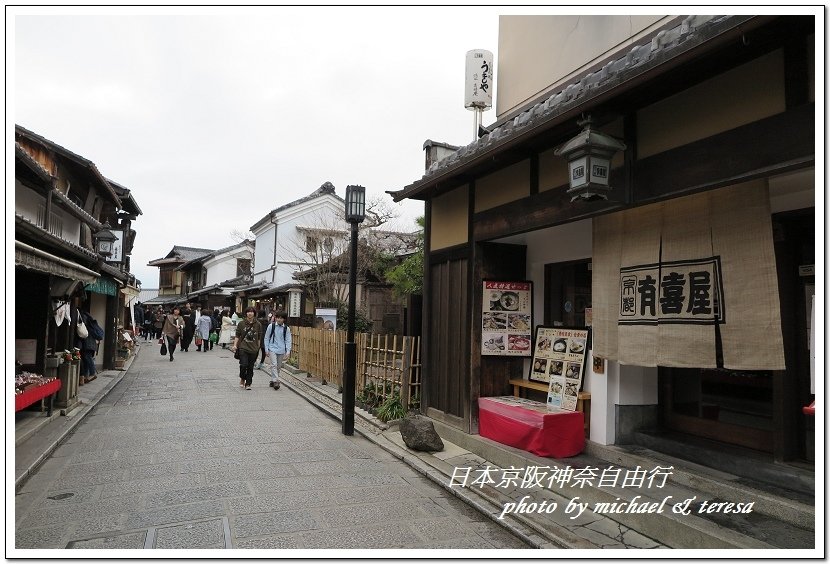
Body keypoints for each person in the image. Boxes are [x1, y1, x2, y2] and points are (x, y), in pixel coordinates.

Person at [231, 306, 263, 390]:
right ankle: (242, 378)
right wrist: (235, 345)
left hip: (254, 349)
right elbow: (237, 335)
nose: (250, 313)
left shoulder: (258, 324)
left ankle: (248, 383)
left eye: (252, 312)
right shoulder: (241, 323)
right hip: (243, 348)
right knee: (243, 364)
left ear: (254, 313)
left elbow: (259, 337)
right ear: (246, 313)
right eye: (248, 312)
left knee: (250, 367)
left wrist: (258, 347)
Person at [263, 311, 291, 390]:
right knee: (274, 365)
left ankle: (273, 380)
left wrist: (288, 351)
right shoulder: (271, 326)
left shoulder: (286, 329)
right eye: (278, 318)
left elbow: (288, 340)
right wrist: (266, 349)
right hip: (272, 348)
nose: (279, 320)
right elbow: (266, 338)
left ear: (284, 319)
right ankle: (276, 381)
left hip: (281, 349)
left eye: (281, 318)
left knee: (278, 366)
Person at [76, 310, 99, 383]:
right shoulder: (89, 319)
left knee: (87, 357)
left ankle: (92, 373)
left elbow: (81, 329)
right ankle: (85, 377)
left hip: (88, 342)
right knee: (86, 359)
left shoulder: (83, 317)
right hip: (90, 343)